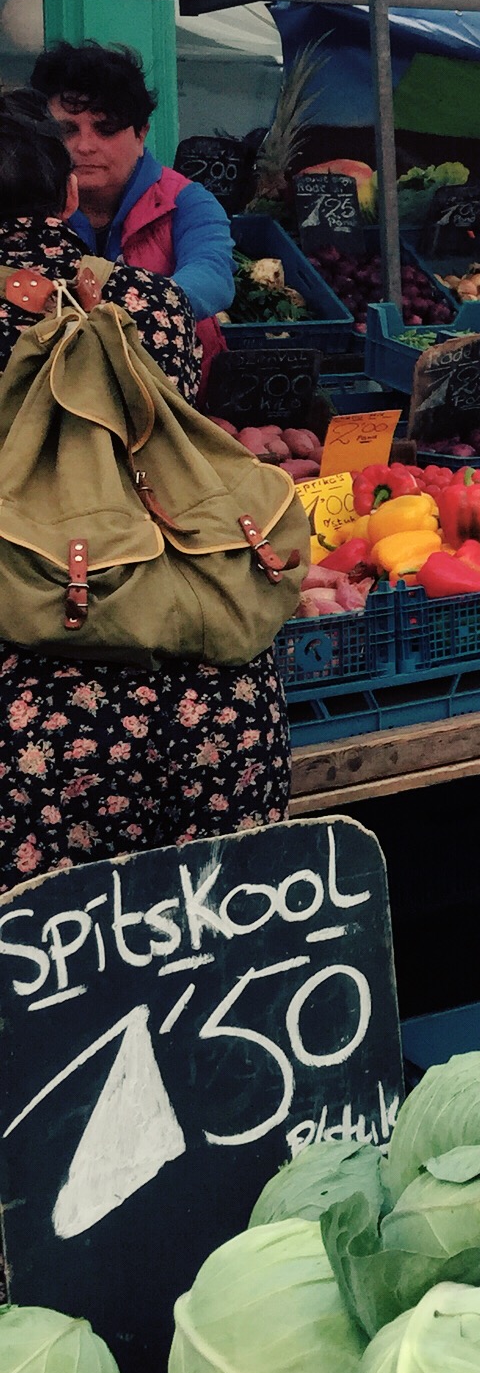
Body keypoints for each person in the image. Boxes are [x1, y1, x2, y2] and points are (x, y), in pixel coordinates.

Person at [0, 88, 288, 896]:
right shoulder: (154, 305)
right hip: (218, 705)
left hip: (35, 721)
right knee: (216, 950)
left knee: (58, 963)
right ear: (67, 195)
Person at [29, 39, 233, 349]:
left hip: (173, 379)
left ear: (141, 135)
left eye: (106, 128)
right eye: (66, 130)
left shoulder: (189, 201)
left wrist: (109, 309)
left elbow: (213, 277)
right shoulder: (26, 204)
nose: (85, 146)